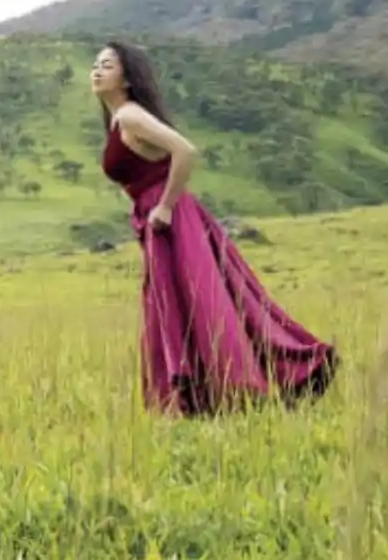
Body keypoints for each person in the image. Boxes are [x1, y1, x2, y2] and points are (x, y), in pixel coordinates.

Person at [92, 40, 336, 415]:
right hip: (157, 219)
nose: (97, 70)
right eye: (96, 64)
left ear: (127, 78)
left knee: (203, 299)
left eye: (107, 65)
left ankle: (242, 385)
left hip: (170, 217)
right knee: (182, 300)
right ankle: (199, 397)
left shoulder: (130, 116)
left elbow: (185, 151)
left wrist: (166, 207)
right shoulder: (118, 119)